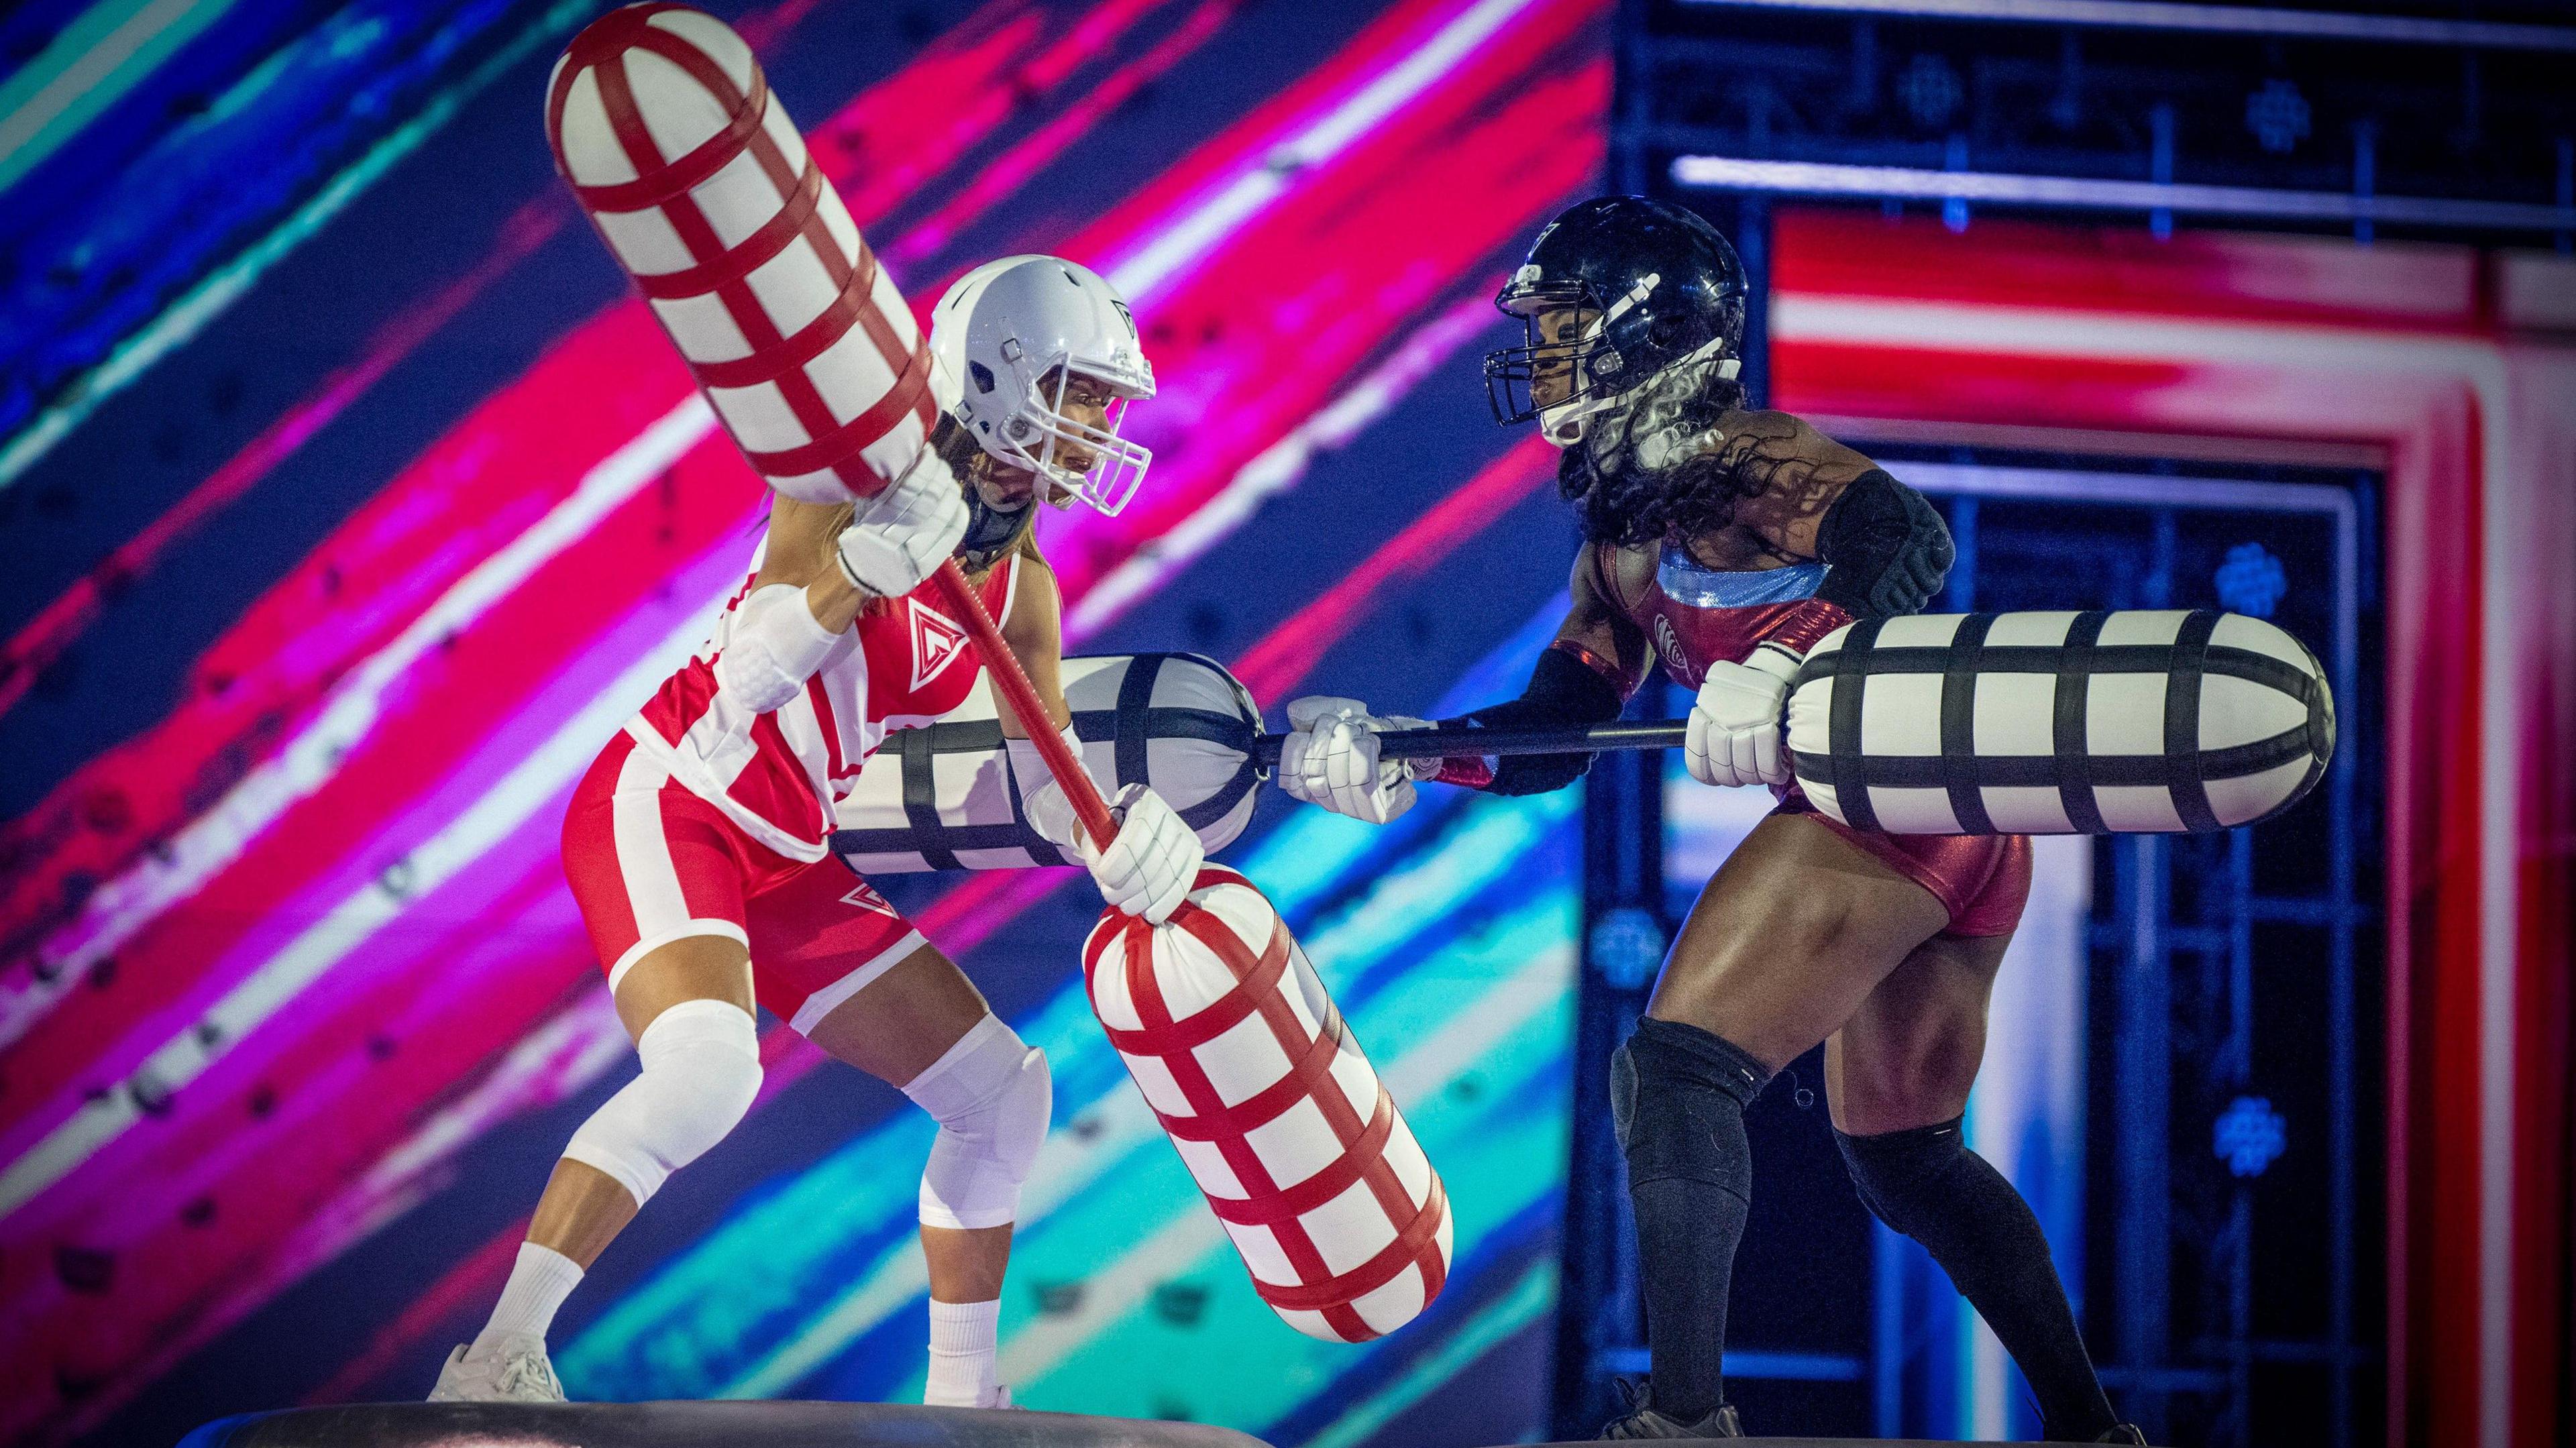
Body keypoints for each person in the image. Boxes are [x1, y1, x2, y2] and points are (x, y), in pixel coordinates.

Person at [1276, 198, 2141, 1444]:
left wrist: (1794, 657)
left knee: (1676, 1073)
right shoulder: (1617, 548)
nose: (1546, 362)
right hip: (1956, 820)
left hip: (1891, 797)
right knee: (1905, 1160)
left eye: (1570, 331)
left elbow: (1908, 538)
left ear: (1649, 338)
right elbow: (1554, 736)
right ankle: (2095, 1435)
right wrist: (1403, 753)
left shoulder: (1743, 463)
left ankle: (1685, 1428)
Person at [431, 255, 1199, 1409]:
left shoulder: (1021, 586)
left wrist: (1122, 837)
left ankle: (963, 1405)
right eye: (1084, 394)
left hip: (789, 854)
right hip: (678, 798)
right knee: (704, 1076)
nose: (1100, 430)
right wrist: (853, 571)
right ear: (1004, 375)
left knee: (1005, 1093)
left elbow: (1044, 779)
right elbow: (744, 680)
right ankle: (495, 1359)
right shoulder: (853, 477)